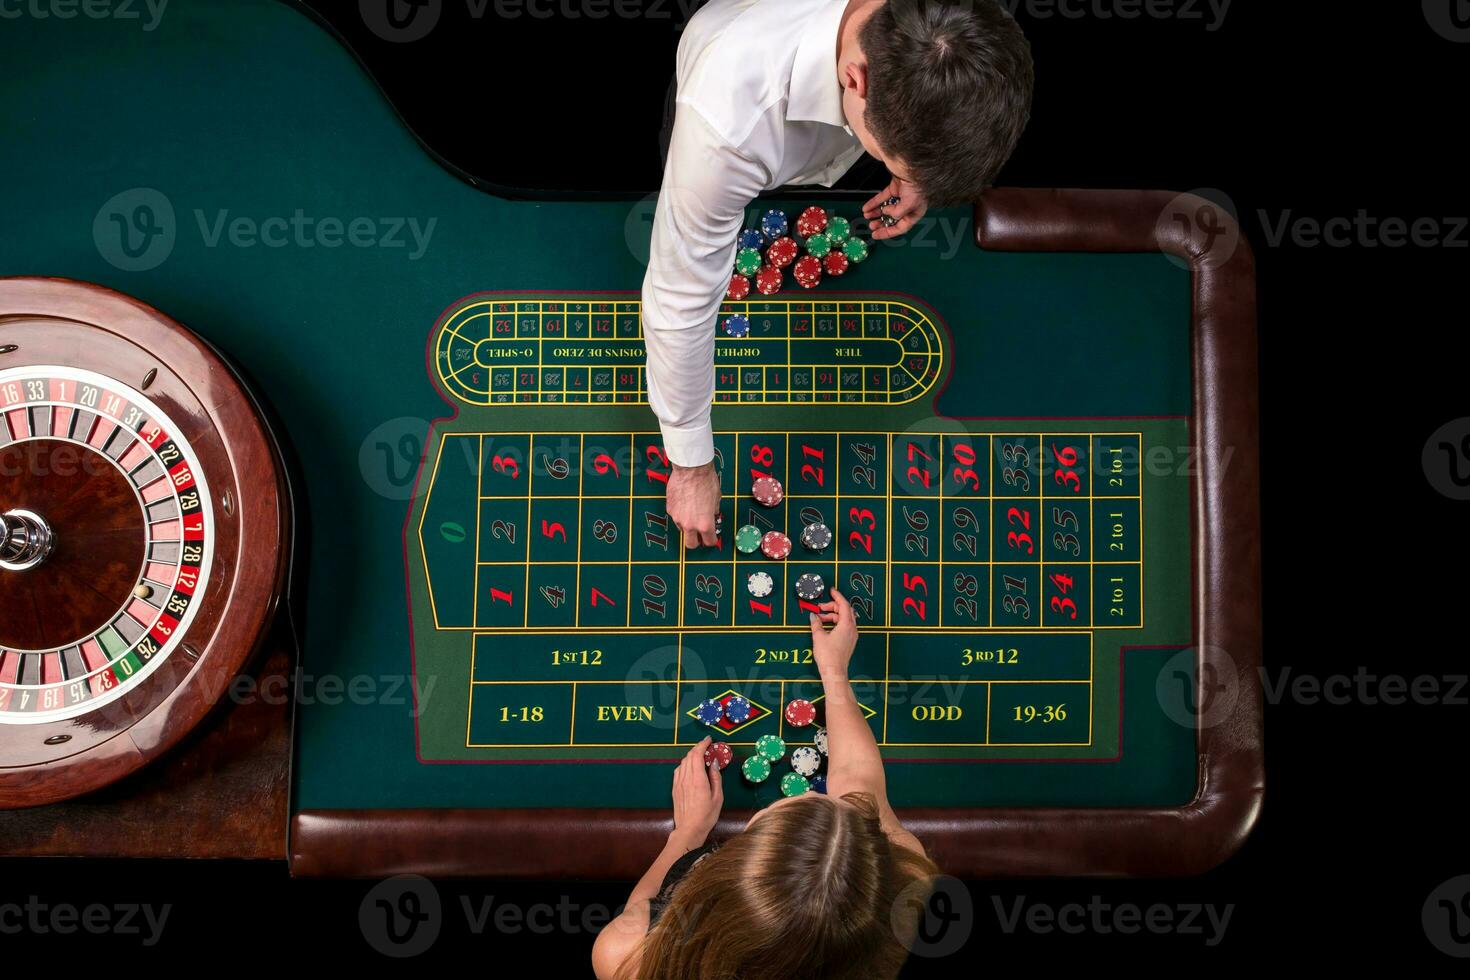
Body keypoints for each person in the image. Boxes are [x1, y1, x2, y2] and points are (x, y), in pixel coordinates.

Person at [644, 0, 1033, 547]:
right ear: (857, 78)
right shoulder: (723, 126)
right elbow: (678, 302)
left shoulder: (936, 35)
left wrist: (920, 168)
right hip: (735, 98)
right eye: (893, 160)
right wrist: (689, 463)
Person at [591, 589, 940, 979]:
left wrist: (686, 837)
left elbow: (645, 908)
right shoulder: (902, 884)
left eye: (778, 810)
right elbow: (859, 782)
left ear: (727, 874)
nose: (810, 790)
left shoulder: (630, 956)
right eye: (822, 798)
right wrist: (835, 674)